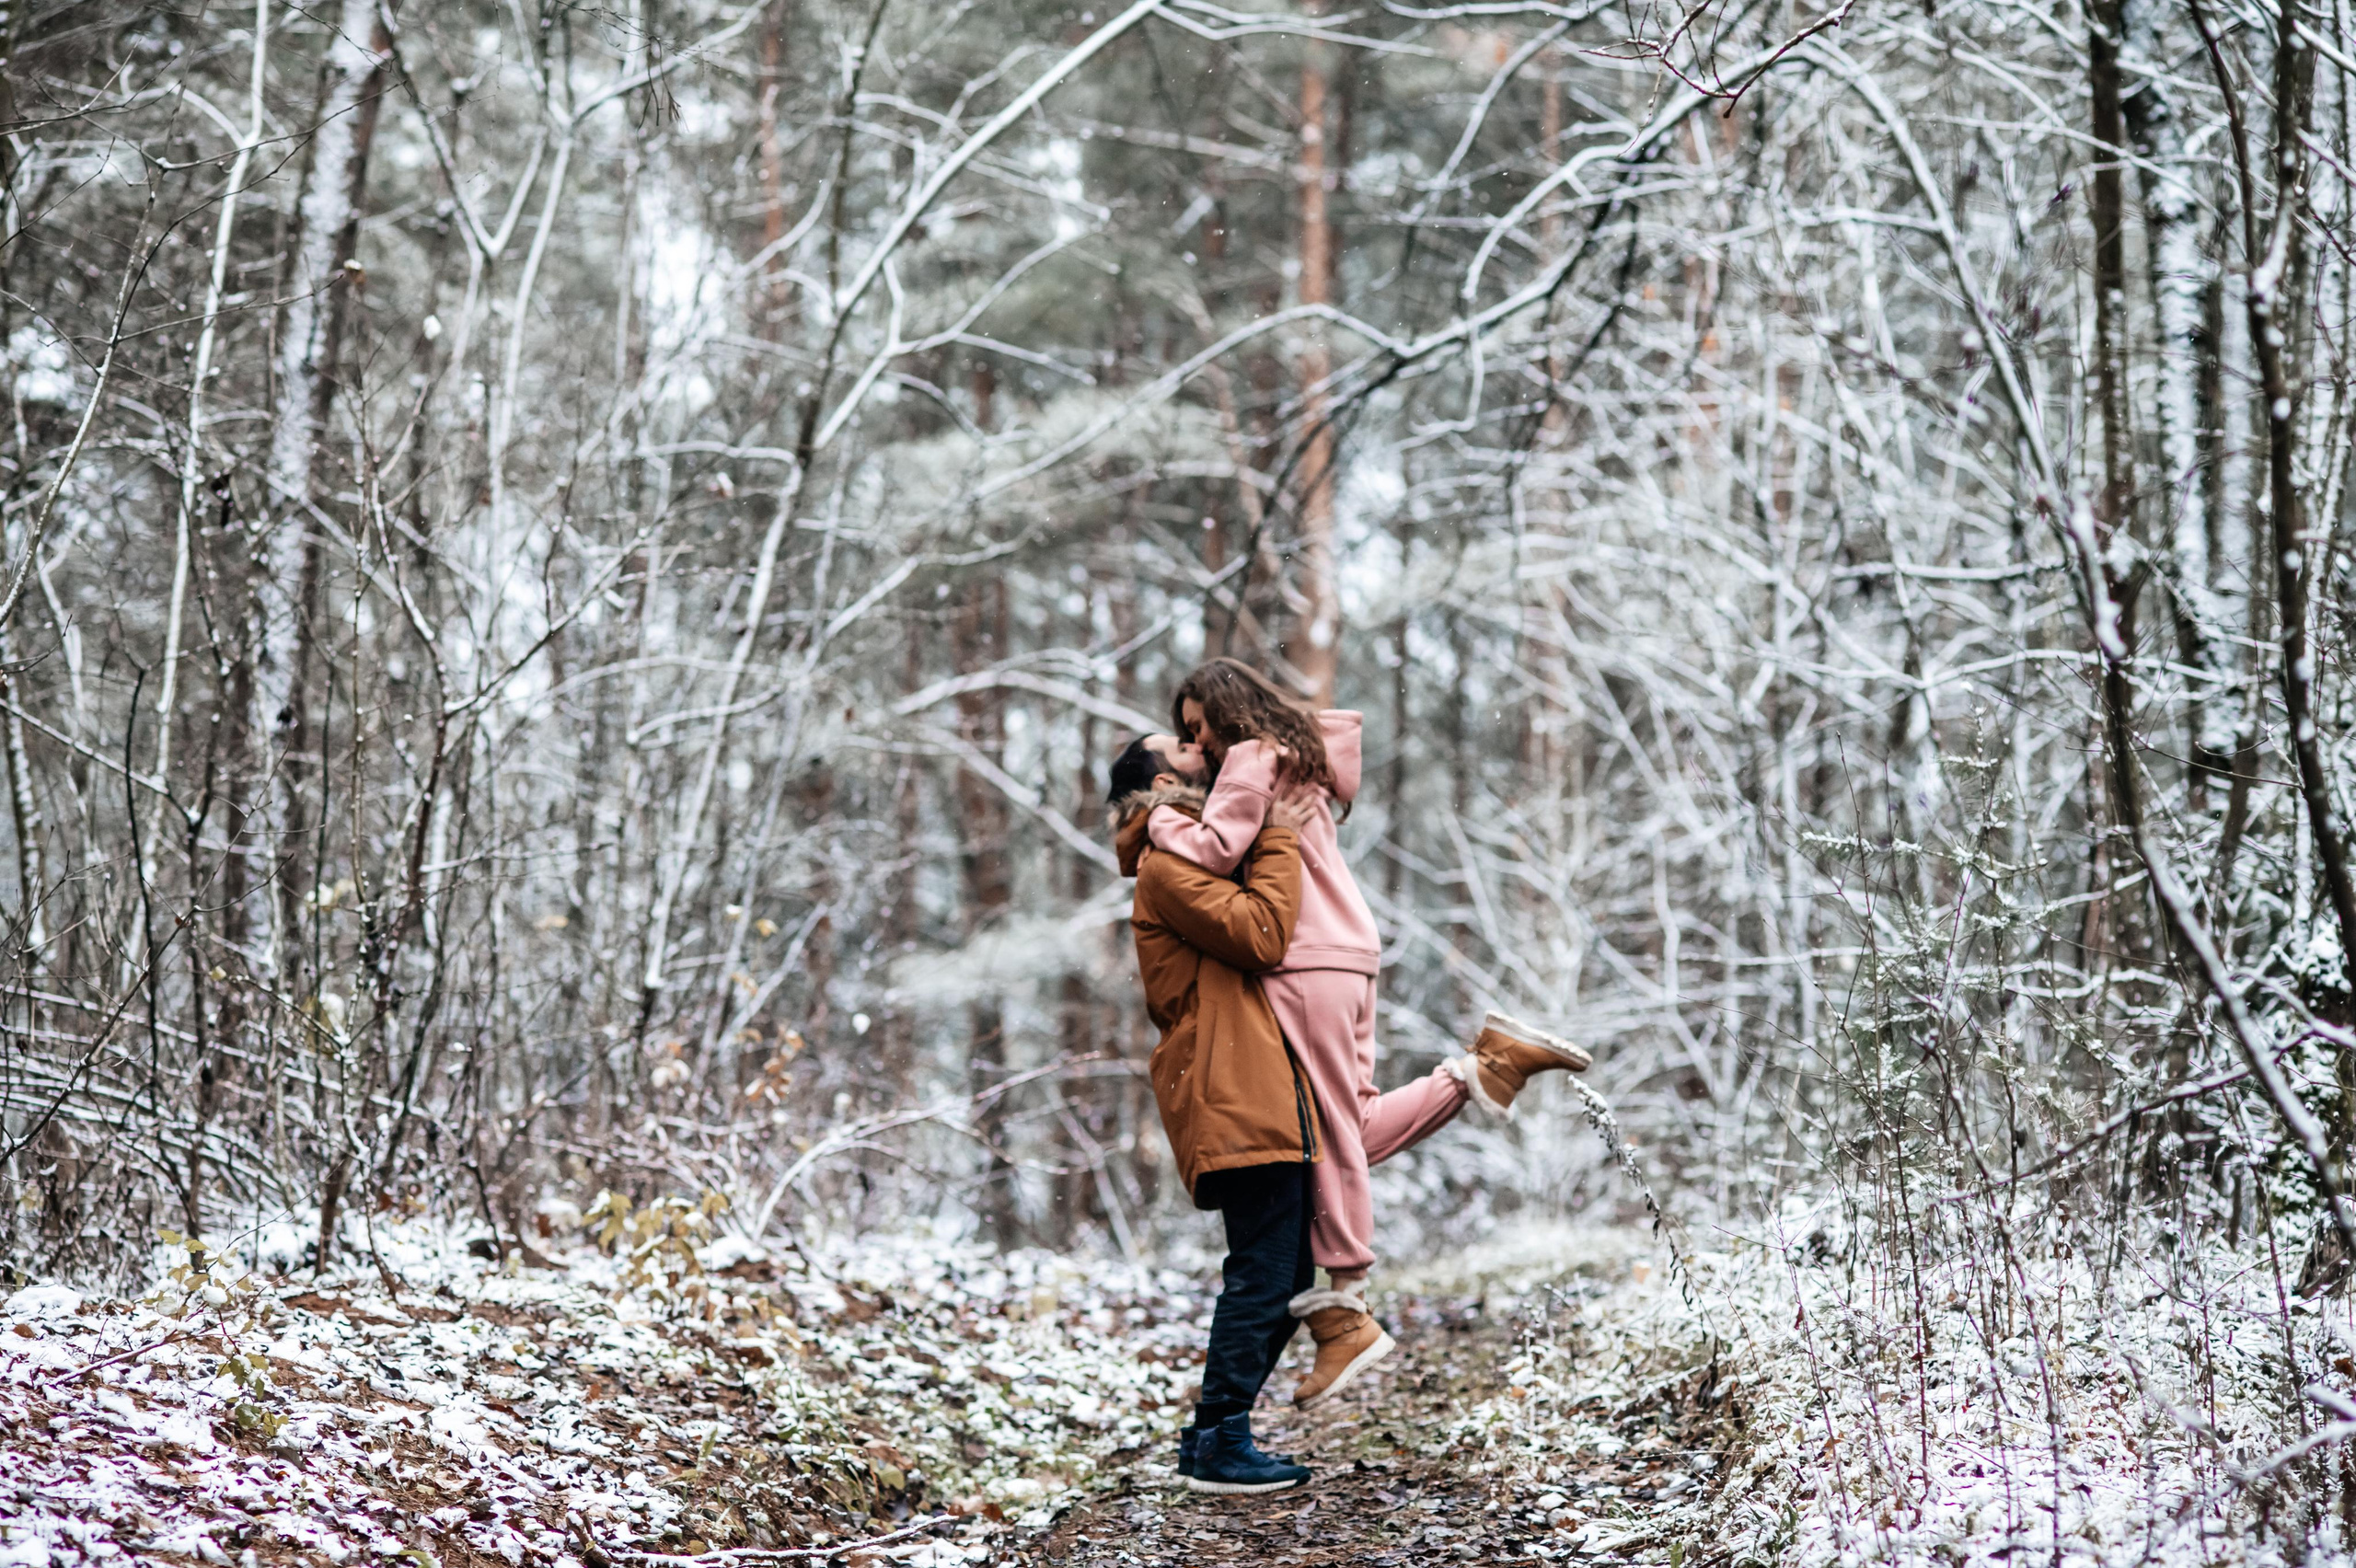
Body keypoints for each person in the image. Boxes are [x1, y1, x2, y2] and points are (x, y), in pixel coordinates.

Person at [1148, 658, 1593, 1409]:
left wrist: (1160, 817)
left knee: (1326, 1130)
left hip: (1301, 961)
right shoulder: (1297, 760)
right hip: (1347, 952)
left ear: (1227, 713)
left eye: (1200, 729)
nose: (1199, 747)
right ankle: (1484, 1068)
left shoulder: (1250, 760)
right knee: (1344, 1124)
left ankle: (1348, 1304)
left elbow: (1217, 850)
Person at [1107, 731, 1326, 1494]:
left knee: (1289, 1275)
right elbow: (1261, 935)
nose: (1201, 745)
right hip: (1229, 1090)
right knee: (1265, 1273)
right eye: (1180, 744)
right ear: (1162, 780)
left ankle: (1212, 1433)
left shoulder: (1195, 858)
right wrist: (1280, 834)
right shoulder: (1166, 866)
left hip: (1251, 1086)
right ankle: (1222, 1440)